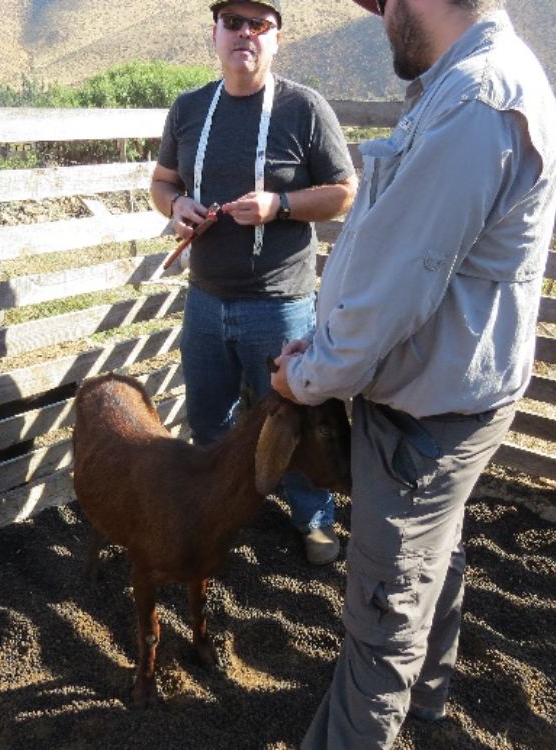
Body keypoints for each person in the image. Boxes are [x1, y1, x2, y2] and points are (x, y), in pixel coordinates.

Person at [270, 0, 556, 746]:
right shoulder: (466, 84)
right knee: (436, 552)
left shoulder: (476, 101)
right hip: (447, 398)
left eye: (385, 3)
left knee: (381, 615)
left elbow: (400, 280)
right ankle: (427, 708)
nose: (381, 18)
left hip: (424, 414)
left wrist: (310, 376)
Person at [150, 0, 357, 565]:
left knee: (296, 417)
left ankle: (314, 521)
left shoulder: (304, 108)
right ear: (215, 34)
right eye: (232, 23)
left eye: (258, 24)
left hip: (281, 304)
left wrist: (280, 204)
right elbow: (163, 181)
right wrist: (178, 206)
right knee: (209, 417)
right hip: (206, 300)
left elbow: (343, 191)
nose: (245, 33)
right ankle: (217, 509)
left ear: (276, 38)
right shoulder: (190, 108)